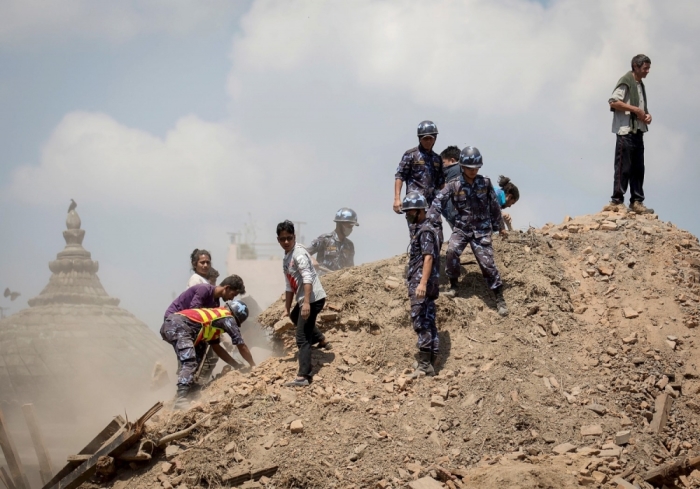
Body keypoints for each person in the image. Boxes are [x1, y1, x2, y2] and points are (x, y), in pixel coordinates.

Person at [430, 146, 508, 316]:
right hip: (462, 228)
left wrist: (500, 227)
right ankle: (454, 285)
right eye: (469, 168)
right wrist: (431, 216)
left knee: (487, 263)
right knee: (451, 251)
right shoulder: (454, 185)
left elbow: (494, 206)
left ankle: (499, 297)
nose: (473, 171)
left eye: (476, 168)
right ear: (462, 167)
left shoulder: (485, 183)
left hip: (481, 229)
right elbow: (438, 200)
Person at [160, 300, 255, 409]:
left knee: (199, 351)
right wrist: (253, 365)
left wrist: (236, 365)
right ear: (236, 318)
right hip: (178, 325)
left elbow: (217, 348)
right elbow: (241, 345)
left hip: (172, 325)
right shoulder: (228, 318)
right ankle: (181, 399)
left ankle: (189, 387)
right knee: (189, 361)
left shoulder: (215, 318)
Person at [277, 220, 330, 387]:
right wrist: (287, 308)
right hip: (305, 299)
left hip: (313, 299)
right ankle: (321, 339)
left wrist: (306, 303)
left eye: (289, 238)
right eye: (282, 239)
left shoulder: (298, 254)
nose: (286, 242)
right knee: (294, 315)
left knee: (301, 337)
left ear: (294, 237)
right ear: (278, 239)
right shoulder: (287, 257)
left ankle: (303, 376)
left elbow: (307, 278)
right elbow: (289, 285)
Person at [164, 276, 245, 384]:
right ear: (227, 288)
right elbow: (194, 312)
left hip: (189, 327)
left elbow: (215, 345)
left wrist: (235, 365)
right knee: (189, 357)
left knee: (201, 348)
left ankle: (189, 383)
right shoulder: (204, 290)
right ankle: (182, 392)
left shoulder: (215, 304)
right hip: (174, 322)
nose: (232, 299)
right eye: (233, 295)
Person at [606, 54, 654, 214]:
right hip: (625, 130)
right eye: (645, 68)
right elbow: (613, 102)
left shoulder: (639, 84)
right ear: (636, 66)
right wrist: (635, 110)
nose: (647, 71)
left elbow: (641, 108)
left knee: (638, 168)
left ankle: (637, 202)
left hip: (638, 130)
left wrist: (646, 115)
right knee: (623, 167)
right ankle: (617, 201)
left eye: (648, 68)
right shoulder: (626, 81)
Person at [402, 191, 441, 376]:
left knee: (421, 321)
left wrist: (422, 283)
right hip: (426, 281)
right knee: (429, 319)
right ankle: (430, 363)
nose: (408, 215)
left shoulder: (425, 231)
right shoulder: (424, 228)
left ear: (420, 211)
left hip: (421, 281)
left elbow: (428, 258)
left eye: (410, 212)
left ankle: (425, 365)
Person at [393, 121, 444, 235]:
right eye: (425, 139)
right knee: (416, 234)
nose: (428, 141)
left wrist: (447, 200)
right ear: (420, 138)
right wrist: (397, 198)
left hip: (432, 203)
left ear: (435, 138)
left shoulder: (437, 159)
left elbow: (441, 182)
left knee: (437, 232)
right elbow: (400, 176)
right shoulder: (411, 155)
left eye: (431, 138)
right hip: (414, 203)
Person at [307, 208, 359, 273]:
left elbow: (351, 267)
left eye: (352, 226)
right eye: (349, 225)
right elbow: (304, 252)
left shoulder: (349, 245)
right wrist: (312, 260)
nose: (351, 228)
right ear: (340, 223)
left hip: (341, 281)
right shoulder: (325, 239)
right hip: (323, 279)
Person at [439, 145, 462, 229]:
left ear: (452, 160)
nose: (442, 165)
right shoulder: (462, 168)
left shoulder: (454, 169)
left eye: (443, 162)